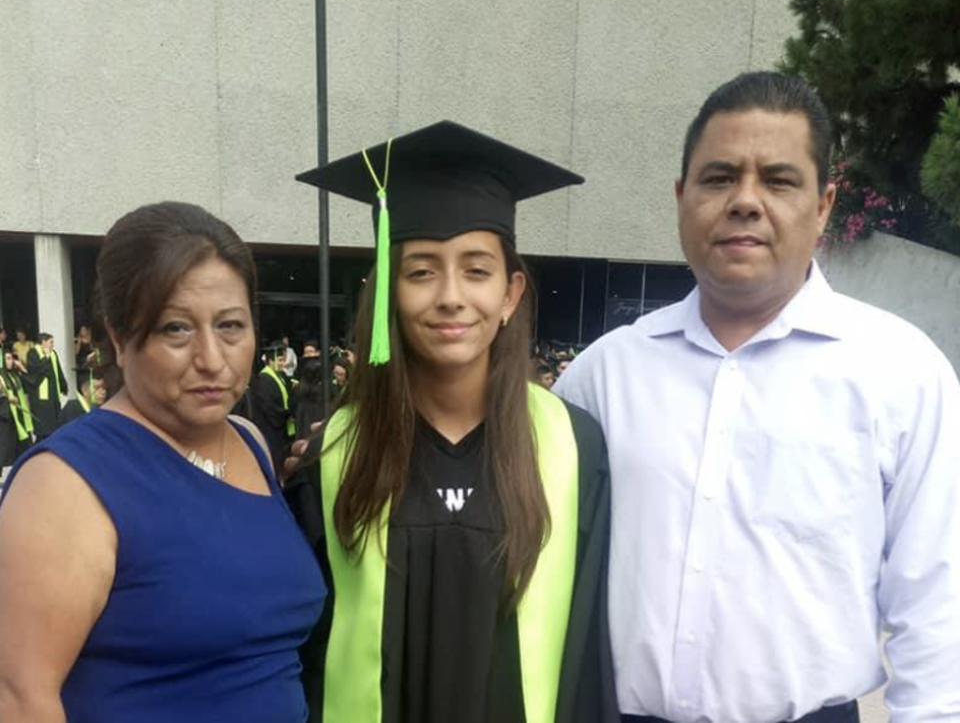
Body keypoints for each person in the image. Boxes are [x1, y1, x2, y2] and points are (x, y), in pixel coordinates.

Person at [554, 71, 960, 723]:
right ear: (681, 197)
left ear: (824, 204)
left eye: (778, 179)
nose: (745, 201)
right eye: (718, 178)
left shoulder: (901, 373)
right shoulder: (604, 378)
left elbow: (939, 605)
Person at [288, 121, 618, 723]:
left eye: (476, 269)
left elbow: (587, 655)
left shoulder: (571, 448)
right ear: (389, 288)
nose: (450, 296)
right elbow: (307, 651)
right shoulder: (335, 454)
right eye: (420, 271)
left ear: (511, 292)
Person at [0, 201, 326, 723]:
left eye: (230, 326)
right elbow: (19, 699)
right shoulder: (64, 484)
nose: (212, 359)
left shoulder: (248, 442)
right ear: (119, 337)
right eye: (176, 329)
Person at [252, 340, 297, 473]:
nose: (283, 364)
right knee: (276, 458)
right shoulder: (264, 379)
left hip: (284, 425)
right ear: (270, 361)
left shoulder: (280, 375)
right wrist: (287, 414)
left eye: (283, 360)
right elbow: (269, 406)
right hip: (273, 427)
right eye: (280, 360)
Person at [24, 332, 68, 439]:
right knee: (43, 428)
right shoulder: (33, 353)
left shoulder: (53, 353)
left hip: (53, 395)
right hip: (40, 398)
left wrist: (63, 385)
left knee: (55, 425)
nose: (53, 345)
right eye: (51, 342)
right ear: (43, 342)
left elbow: (57, 370)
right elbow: (35, 370)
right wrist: (46, 357)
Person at [0, 349, 34, 466]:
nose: (10, 362)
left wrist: (22, 368)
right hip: (8, 416)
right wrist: (9, 398)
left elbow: (30, 383)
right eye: (8, 359)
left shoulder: (15, 374)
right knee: (5, 449)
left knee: (26, 446)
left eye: (11, 359)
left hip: (21, 414)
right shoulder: (1, 376)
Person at [58, 361, 108, 428]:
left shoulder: (97, 410)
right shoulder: (72, 410)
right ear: (85, 390)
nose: (103, 392)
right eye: (97, 388)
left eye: (104, 387)